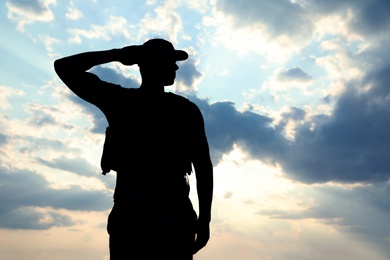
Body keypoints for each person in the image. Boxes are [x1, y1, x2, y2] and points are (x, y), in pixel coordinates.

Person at [54, 38, 213, 259]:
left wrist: (117, 55)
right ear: (150, 64)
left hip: (152, 214)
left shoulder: (121, 102)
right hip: (154, 215)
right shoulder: (179, 109)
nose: (176, 67)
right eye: (169, 61)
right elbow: (63, 66)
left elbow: (203, 166)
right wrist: (204, 220)